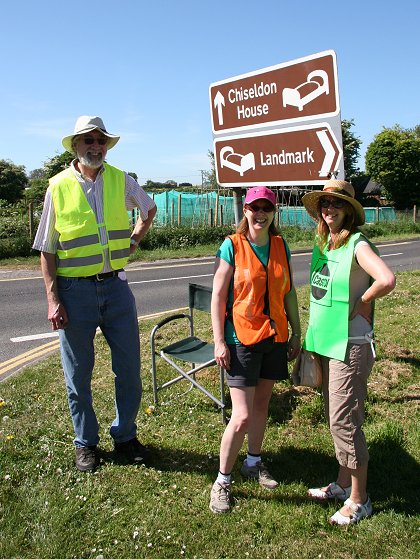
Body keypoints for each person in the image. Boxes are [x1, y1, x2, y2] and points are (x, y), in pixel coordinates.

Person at [33, 115, 157, 472]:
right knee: (78, 375)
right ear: (75, 146)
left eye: (101, 140)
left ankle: (126, 435)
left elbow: (148, 209)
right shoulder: (57, 186)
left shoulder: (121, 180)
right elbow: (47, 249)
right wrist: (53, 299)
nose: (95, 146)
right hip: (75, 293)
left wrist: (135, 238)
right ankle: (85, 442)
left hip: (116, 288)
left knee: (130, 370)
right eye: (88, 140)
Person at [301, 179, 396, 525]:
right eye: (325, 204)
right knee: (335, 414)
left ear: (350, 212)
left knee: (344, 419)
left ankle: (360, 499)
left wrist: (363, 302)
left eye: (336, 205)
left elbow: (386, 279)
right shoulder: (325, 243)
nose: (329, 210)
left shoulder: (357, 243)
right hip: (327, 342)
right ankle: (342, 485)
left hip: (351, 346)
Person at [209, 186, 301, 513]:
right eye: (254, 207)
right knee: (242, 415)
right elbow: (218, 296)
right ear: (244, 211)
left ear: (274, 213)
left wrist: (296, 331)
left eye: (266, 208)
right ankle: (222, 481)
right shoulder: (231, 245)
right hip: (241, 339)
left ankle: (254, 461)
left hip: (275, 338)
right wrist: (219, 340)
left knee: (262, 407)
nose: (259, 214)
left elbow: (288, 291)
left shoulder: (280, 245)